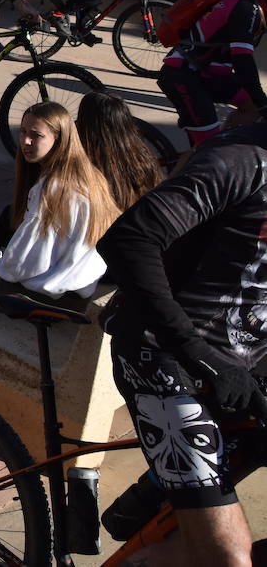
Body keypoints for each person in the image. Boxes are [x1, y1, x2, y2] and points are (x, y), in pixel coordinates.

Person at [97, 123, 267, 567]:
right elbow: (128, 239)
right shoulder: (243, 162)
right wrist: (200, 354)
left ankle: (159, 498)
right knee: (226, 559)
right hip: (162, 356)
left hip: (249, 364)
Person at [0, 101, 119, 388]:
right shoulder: (88, 175)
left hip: (51, 298)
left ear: (59, 139)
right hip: (76, 290)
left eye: (37, 135)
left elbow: (22, 263)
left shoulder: (52, 189)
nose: (26, 142)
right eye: (23, 132)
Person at [0, 90, 162, 262]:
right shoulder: (142, 156)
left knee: (18, 211)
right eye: (23, 133)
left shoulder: (85, 161)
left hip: (95, 253)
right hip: (132, 246)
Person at [157, 0, 267, 148]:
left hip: (208, 73)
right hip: (184, 75)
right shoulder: (247, 8)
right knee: (206, 150)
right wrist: (263, 103)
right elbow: (242, 62)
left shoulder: (254, 2)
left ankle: (225, 147)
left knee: (251, 106)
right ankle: (201, 162)